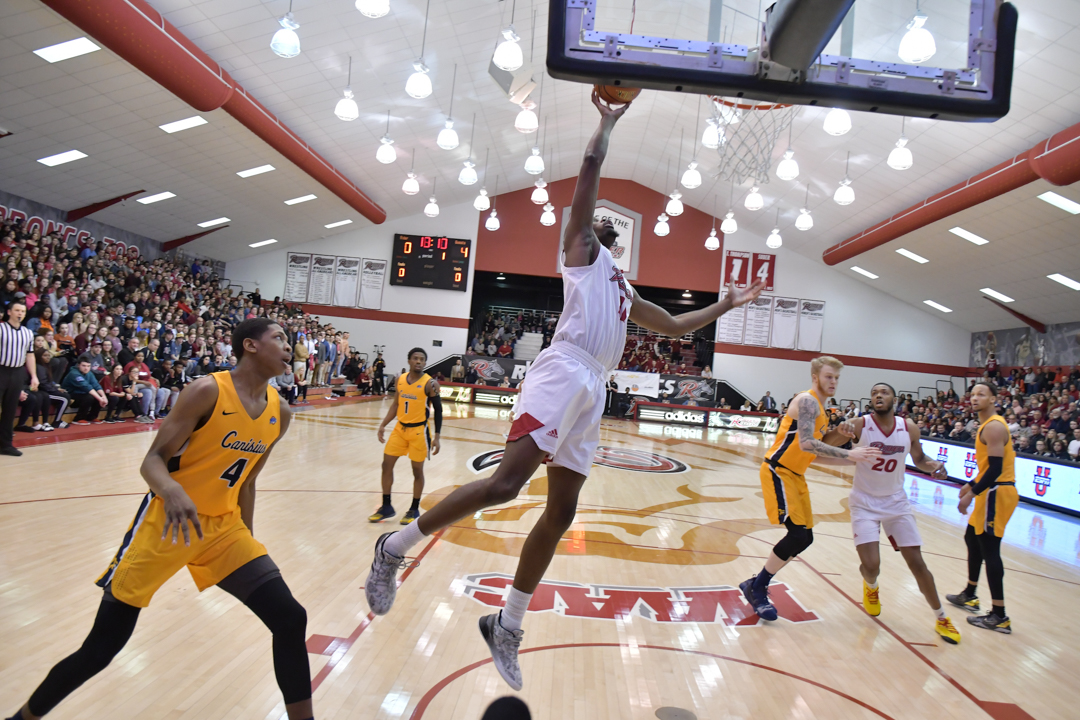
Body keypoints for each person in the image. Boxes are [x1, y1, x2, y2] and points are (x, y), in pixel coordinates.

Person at [362, 92, 764, 691]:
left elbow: (678, 327)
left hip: (594, 388)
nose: (598, 218)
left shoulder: (625, 290)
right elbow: (591, 174)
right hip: (562, 372)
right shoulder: (580, 250)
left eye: (605, 221)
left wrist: (725, 304)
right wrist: (606, 124)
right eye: (594, 214)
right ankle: (396, 546)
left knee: (563, 510)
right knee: (504, 485)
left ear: (617, 242)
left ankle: (508, 622)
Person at [3, 318, 316, 720]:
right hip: (165, 526)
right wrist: (170, 490)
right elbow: (153, 460)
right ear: (250, 346)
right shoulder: (207, 390)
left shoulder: (281, 412)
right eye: (280, 338)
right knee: (101, 649)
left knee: (290, 618)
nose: (289, 347)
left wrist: (249, 544)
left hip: (223, 530)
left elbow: (248, 483)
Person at [741, 357, 880, 621]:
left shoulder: (823, 409)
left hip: (796, 475)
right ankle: (757, 587)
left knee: (805, 537)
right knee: (796, 535)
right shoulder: (806, 401)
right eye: (829, 377)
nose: (834, 382)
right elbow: (806, 444)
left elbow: (815, 455)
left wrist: (853, 458)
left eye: (837, 378)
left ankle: (756, 584)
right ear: (815, 377)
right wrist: (848, 454)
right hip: (778, 470)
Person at [842, 383, 961, 644]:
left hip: (896, 503)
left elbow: (919, 459)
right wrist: (840, 432)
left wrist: (934, 467)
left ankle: (941, 618)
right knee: (872, 565)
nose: (878, 396)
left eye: (883, 392)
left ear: (895, 399)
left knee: (917, 563)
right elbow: (828, 444)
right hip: (864, 502)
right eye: (873, 393)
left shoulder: (908, 428)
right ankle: (871, 587)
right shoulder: (860, 424)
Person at [946, 381, 1018, 634]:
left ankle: (1000, 615)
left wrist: (971, 494)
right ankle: (970, 593)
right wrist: (970, 484)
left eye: (981, 394)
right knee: (971, 538)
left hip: (998, 492)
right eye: (973, 394)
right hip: (990, 490)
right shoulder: (986, 426)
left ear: (994, 399)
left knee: (990, 549)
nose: (975, 398)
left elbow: (997, 470)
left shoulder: (995, 427)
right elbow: (989, 467)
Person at [370, 348, 443, 525]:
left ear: (425, 363)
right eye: (415, 358)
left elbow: (439, 410)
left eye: (422, 359)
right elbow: (396, 404)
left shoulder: (430, 383)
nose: (418, 361)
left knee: (417, 470)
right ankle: (386, 506)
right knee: (386, 465)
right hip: (399, 429)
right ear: (409, 360)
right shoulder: (400, 379)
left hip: (419, 432)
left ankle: (413, 509)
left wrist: (437, 436)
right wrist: (383, 424)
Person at [1, 299, 39, 456]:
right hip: (1, 370)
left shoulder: (27, 333)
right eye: (17, 310)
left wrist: (34, 376)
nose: (20, 314)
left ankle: (5, 444)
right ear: (9, 312)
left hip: (17, 372)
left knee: (10, 409)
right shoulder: (1, 328)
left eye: (22, 311)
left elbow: (30, 355)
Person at [61, 355, 108, 425]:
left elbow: (96, 385)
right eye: (84, 366)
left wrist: (104, 397)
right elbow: (86, 387)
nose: (86, 368)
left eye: (88, 366)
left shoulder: (89, 373)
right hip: (71, 395)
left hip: (82, 394)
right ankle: (78, 418)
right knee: (90, 397)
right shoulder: (74, 373)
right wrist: (100, 399)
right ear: (78, 365)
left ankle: (91, 417)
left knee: (96, 396)